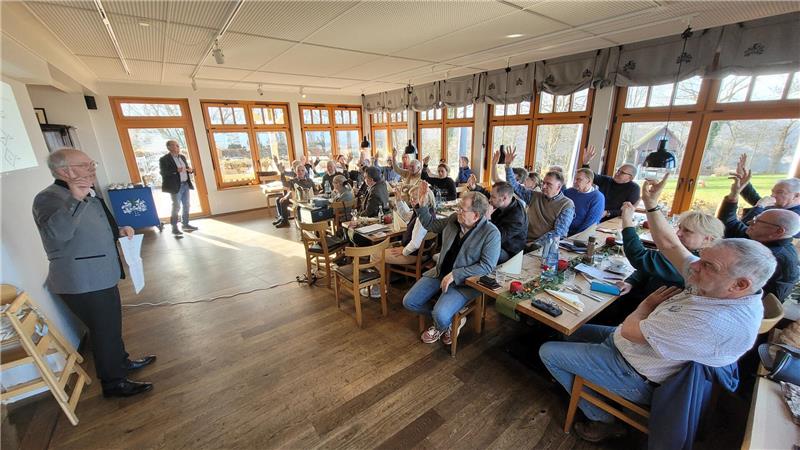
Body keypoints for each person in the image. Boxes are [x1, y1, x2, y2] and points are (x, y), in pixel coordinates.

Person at [539, 173, 773, 443]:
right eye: (703, 260)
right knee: (568, 333)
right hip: (628, 347)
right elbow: (671, 245)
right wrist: (651, 203)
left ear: (740, 284)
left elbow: (630, 330)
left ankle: (601, 419)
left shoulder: (714, 321)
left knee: (548, 351)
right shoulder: (719, 283)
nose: (694, 266)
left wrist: (646, 305)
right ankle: (579, 382)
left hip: (635, 372)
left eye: (707, 265)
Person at [33, 148, 156, 398]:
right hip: (83, 279)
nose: (91, 169)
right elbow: (56, 237)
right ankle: (114, 383)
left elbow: (92, 226)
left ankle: (121, 362)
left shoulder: (84, 193)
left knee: (109, 327)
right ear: (63, 171)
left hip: (100, 273)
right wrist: (76, 199)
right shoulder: (49, 198)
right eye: (84, 165)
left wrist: (118, 231)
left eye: (92, 164)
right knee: (103, 331)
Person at [595, 202, 724, 325]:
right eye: (679, 228)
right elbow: (649, 268)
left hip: (647, 314)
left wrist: (627, 221)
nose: (678, 233)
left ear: (708, 239)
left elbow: (640, 257)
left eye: (687, 231)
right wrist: (631, 282)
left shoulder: (696, 263)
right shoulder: (683, 251)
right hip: (637, 300)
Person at [403, 184, 501, 345]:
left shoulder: (491, 233)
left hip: (465, 283)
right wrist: (421, 206)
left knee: (440, 314)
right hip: (440, 272)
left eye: (462, 209)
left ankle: (441, 322)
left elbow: (487, 266)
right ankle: (449, 322)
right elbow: (431, 225)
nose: (458, 211)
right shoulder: (454, 220)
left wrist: (456, 274)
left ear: (476, 215)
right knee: (410, 301)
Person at [719, 169, 800, 301]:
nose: (750, 222)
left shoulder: (770, 256)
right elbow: (731, 225)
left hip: (742, 307)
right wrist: (734, 195)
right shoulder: (766, 239)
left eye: (758, 221)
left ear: (778, 231)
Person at [501, 148, 575, 245]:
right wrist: (508, 165)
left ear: (559, 187)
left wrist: (534, 244)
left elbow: (558, 232)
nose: (543, 186)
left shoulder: (566, 204)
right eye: (543, 183)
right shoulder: (535, 195)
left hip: (544, 246)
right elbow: (514, 186)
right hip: (523, 240)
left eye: (548, 184)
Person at [730, 154, 800, 232]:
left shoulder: (794, 218)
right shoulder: (780, 207)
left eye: (780, 192)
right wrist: (744, 182)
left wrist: (760, 206)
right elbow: (754, 199)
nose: (772, 195)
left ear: (796, 195)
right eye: (772, 192)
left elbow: (740, 230)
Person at [581, 145, 641, 220]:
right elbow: (590, 176)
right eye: (618, 170)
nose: (617, 173)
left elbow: (628, 209)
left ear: (630, 178)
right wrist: (586, 163)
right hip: (596, 216)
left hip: (615, 219)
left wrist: (608, 212)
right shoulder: (607, 180)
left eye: (622, 172)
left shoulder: (634, 188)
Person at [159, 140, 197, 236]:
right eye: (176, 145)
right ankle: (174, 228)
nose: (178, 147)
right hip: (175, 186)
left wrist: (190, 170)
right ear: (169, 147)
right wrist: (176, 170)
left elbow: (186, 168)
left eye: (178, 145)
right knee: (176, 207)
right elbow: (163, 173)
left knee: (187, 205)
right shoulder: (164, 159)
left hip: (185, 184)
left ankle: (185, 224)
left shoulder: (182, 157)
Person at [486, 181, 528, 263]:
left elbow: (495, 238)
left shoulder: (517, 218)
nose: (489, 200)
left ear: (504, 198)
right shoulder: (503, 203)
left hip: (509, 253)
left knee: (480, 248)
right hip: (498, 243)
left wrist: (488, 219)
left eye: (493, 197)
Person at [563, 168, 605, 236]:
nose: (575, 182)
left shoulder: (597, 197)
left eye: (578, 179)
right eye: (575, 179)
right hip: (561, 231)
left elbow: (591, 224)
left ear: (589, 181)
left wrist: (574, 238)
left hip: (579, 235)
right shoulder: (569, 192)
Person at [274, 162, 315, 228]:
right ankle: (284, 221)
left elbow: (315, 191)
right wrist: (282, 173)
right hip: (297, 200)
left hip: (308, 200)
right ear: (296, 172)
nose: (300, 172)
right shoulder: (293, 181)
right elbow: (285, 184)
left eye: (302, 170)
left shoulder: (310, 180)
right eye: (298, 171)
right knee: (283, 201)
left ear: (305, 172)